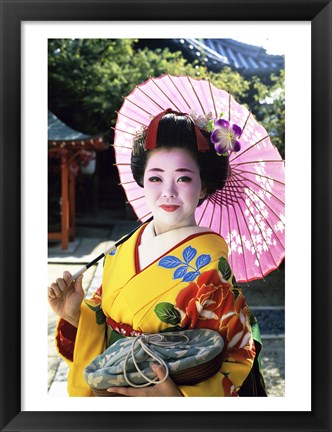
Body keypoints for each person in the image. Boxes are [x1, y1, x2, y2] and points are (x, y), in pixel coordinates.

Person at [48, 109, 266, 397]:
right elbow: (104, 323)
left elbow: (237, 354)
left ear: (203, 187)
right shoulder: (123, 249)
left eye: (184, 179)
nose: (168, 192)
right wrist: (76, 314)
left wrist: (172, 398)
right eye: (155, 178)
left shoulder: (212, 267)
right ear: (142, 180)